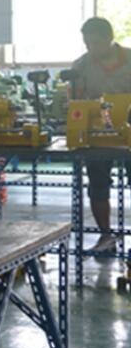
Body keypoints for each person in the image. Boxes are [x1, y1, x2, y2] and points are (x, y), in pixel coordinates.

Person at [71, 17, 131, 252]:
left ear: (110, 38)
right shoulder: (80, 66)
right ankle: (106, 237)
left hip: (129, 136)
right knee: (97, 185)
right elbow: (75, 101)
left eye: (96, 43)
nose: (91, 49)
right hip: (97, 136)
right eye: (87, 44)